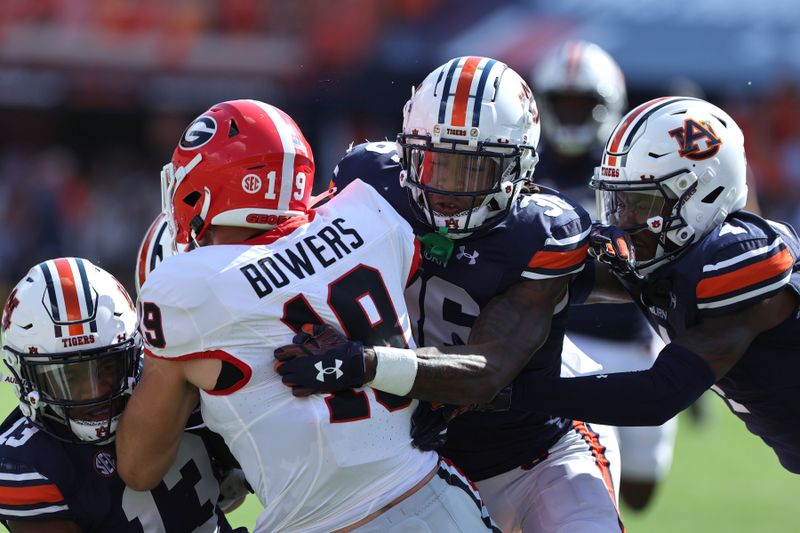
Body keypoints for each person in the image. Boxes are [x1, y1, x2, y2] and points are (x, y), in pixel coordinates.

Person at [115, 99, 499, 533]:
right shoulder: (369, 213)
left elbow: (138, 466)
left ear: (203, 189)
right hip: (436, 495)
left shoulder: (188, 284)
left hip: (321, 523)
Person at [274, 57, 624, 532]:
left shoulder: (540, 230)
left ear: (519, 166)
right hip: (420, 465)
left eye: (473, 170)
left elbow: (488, 369)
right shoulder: (369, 182)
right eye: (434, 162)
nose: (446, 190)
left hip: (538, 452)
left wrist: (364, 363)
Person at [505, 96, 800, 475]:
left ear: (703, 195)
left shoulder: (737, 257)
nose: (623, 220)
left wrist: (513, 393)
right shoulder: (671, 255)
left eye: (640, 204)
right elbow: (573, 279)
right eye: (617, 201)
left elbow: (659, 395)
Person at [532, 40, 677, 510]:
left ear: (608, 105)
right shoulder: (525, 165)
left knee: (639, 490)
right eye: (562, 102)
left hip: (633, 341)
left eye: (584, 104)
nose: (572, 114)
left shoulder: (636, 167)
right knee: (580, 483)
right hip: (563, 342)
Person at [0, 257, 235, 532]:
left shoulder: (173, 381)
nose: (95, 392)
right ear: (24, 378)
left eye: (107, 367)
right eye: (70, 378)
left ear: (135, 350)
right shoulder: (25, 462)